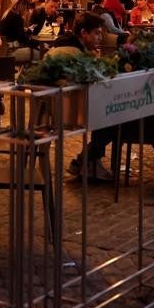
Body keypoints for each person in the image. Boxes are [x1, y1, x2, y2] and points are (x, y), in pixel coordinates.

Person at [50, 14, 113, 182]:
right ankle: (86, 161)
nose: (100, 37)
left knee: (111, 114)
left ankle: (89, 161)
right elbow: (92, 78)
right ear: (84, 33)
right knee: (114, 116)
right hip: (70, 107)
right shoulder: (74, 53)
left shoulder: (65, 45)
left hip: (60, 103)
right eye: (97, 33)